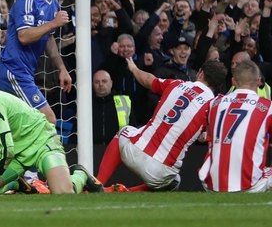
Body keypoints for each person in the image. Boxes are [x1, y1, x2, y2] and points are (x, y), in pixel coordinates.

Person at [0, 68, 103, 196]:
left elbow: (5, 149)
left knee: (63, 193)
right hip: (13, 153)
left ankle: (80, 176)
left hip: (39, 140)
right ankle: (17, 183)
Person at [96, 58, 227, 192]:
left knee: (124, 131)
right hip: (161, 172)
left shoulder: (177, 85)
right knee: (174, 182)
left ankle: (98, 184)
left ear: (200, 73)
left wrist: (134, 69)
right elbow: (208, 135)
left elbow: (148, 80)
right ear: (220, 85)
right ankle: (127, 192)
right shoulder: (212, 106)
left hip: (135, 151)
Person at [0, 0, 72, 124]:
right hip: (12, 71)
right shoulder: (28, 0)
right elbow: (24, 37)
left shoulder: (54, 4)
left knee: (21, 126)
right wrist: (53, 23)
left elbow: (49, 39)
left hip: (24, 73)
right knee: (48, 119)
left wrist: (61, 68)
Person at [199, 60, 272, 192]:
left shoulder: (214, 103)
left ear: (233, 81)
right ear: (259, 81)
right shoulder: (268, 107)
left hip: (213, 184)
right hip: (251, 186)